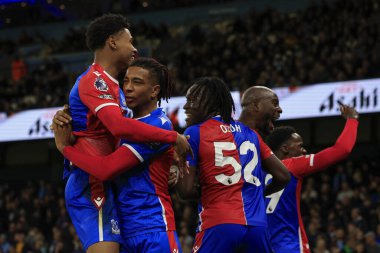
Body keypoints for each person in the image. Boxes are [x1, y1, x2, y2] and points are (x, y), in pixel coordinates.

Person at [51, 14, 190, 253]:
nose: (135, 49)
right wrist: (172, 137)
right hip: (91, 181)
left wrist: (171, 163)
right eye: (130, 40)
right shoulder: (95, 80)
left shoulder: (117, 88)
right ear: (113, 42)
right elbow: (117, 127)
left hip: (107, 184)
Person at [176, 77, 290, 253]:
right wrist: (258, 193)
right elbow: (283, 176)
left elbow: (185, 190)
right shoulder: (251, 134)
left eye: (192, 100)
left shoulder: (194, 132)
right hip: (257, 227)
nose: (186, 106)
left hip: (219, 224)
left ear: (208, 102)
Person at [264, 104, 359, 253]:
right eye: (300, 146)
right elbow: (342, 149)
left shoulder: (256, 171)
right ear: (285, 149)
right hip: (291, 246)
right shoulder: (292, 165)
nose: (304, 150)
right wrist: (352, 119)